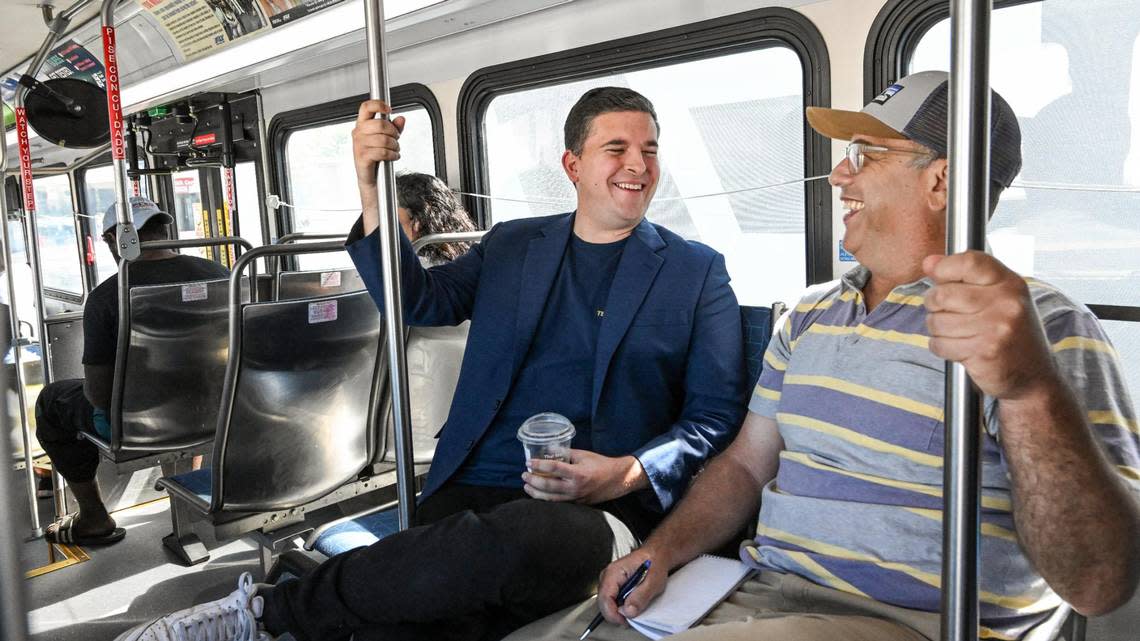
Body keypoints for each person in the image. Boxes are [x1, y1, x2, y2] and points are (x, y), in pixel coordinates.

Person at [505, 70, 1140, 641]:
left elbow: (1099, 584)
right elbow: (748, 468)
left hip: (906, 621)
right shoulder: (811, 313)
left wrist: (1031, 392)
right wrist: (665, 553)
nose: (840, 174)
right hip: (753, 592)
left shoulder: (1041, 328)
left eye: (864, 155)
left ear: (941, 180)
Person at [115, 86, 748, 641]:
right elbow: (420, 300)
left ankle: (267, 611)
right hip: (475, 476)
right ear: (573, 165)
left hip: (598, 511)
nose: (638, 164)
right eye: (617, 148)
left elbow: (714, 418)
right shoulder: (513, 244)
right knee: (416, 617)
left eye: (651, 149)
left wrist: (627, 473)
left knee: (515, 543)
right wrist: (372, 187)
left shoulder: (696, 271)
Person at [38, 197, 229, 546]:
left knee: (52, 401)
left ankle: (94, 517)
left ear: (116, 239)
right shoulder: (221, 275)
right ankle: (189, 493)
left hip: (139, 426)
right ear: (164, 230)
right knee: (187, 394)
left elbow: (97, 394)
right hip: (220, 412)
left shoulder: (106, 297)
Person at [395, 171, 479, 462]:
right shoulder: (470, 263)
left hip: (421, 411)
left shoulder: (409, 279)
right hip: (468, 412)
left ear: (416, 223)